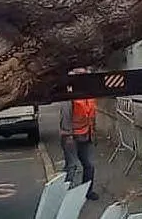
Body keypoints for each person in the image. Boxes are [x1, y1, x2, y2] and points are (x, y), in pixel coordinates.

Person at [59, 67, 99, 201]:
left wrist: (93, 133)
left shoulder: (89, 92)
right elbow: (66, 113)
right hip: (71, 136)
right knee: (72, 166)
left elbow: (91, 115)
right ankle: (66, 194)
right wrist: (68, 135)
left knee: (89, 165)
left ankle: (87, 191)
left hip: (86, 134)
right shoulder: (70, 90)